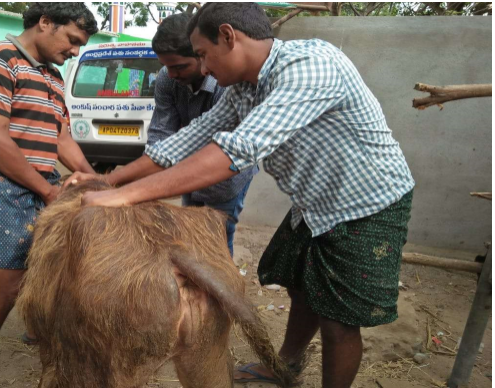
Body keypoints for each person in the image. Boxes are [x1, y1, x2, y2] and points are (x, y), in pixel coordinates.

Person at [71, 3, 415, 388]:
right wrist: (112, 180)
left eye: (202, 55)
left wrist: (126, 197)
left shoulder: (313, 66)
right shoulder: (244, 89)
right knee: (302, 288)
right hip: (314, 203)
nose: (202, 69)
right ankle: (285, 366)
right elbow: (190, 139)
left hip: (365, 203)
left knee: (337, 322)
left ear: (229, 37)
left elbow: (234, 153)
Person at [0, 3, 97, 388]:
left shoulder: (52, 75)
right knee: (7, 284)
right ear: (45, 23)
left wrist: (92, 177)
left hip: (35, 176)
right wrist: (48, 190)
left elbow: (60, 136)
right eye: (72, 40)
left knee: (42, 260)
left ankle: (35, 327)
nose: (75, 52)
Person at [79, 13, 256, 257]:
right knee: (186, 236)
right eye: (166, 66)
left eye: (179, 66)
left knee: (216, 242)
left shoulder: (229, 84)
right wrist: (110, 182)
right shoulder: (167, 78)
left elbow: (223, 154)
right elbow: (166, 139)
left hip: (226, 179)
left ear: (201, 54)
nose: (171, 74)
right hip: (188, 169)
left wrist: (128, 191)